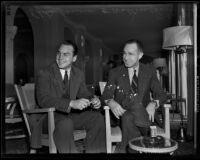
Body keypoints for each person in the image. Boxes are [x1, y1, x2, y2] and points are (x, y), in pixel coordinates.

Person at [35, 40, 106, 153]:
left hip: (68, 116)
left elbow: (84, 93)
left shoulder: (78, 73)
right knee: (66, 123)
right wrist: (71, 103)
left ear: (74, 58)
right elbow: (43, 100)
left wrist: (93, 99)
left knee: (97, 118)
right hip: (48, 117)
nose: (60, 57)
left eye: (66, 54)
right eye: (59, 53)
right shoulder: (45, 73)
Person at [102, 39, 167, 153]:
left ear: (140, 55)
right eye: (124, 53)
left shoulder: (149, 71)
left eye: (130, 54)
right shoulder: (115, 72)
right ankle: (148, 138)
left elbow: (161, 95)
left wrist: (153, 103)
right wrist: (111, 103)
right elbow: (106, 95)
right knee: (128, 114)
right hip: (122, 115)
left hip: (145, 115)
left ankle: (123, 148)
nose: (126, 57)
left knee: (132, 111)